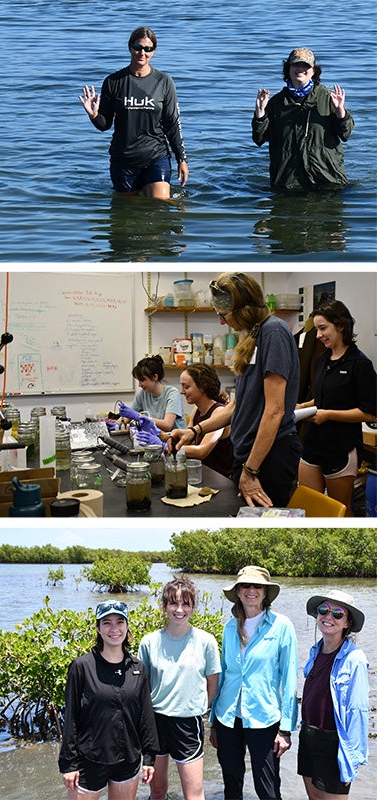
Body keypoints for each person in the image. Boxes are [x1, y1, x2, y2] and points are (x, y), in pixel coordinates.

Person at [169, 272, 301, 508]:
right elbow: (237, 406)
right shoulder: (252, 338)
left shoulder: (273, 332)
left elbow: (274, 411)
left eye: (224, 315)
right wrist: (196, 430)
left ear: (244, 310)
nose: (221, 322)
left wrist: (251, 470)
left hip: (268, 457)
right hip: (250, 456)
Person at [210, 566, 299, 800]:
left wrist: (286, 729)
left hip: (264, 717)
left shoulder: (282, 626)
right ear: (238, 592)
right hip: (227, 717)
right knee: (231, 781)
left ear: (265, 592)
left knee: (267, 788)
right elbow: (224, 674)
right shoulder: (229, 627)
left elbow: (290, 679)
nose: (251, 590)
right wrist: (213, 723)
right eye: (245, 586)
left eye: (257, 586)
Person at [59, 601, 160, 800]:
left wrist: (149, 758)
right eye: (107, 622)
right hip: (89, 759)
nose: (114, 629)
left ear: (127, 625)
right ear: (98, 628)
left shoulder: (137, 667)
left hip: (128, 759)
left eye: (120, 622)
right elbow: (70, 717)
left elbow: (145, 716)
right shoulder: (82, 666)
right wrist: (68, 764)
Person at [79, 26, 189, 200]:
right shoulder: (113, 81)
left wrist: (181, 159)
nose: (142, 53)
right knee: (130, 211)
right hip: (123, 160)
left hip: (156, 155)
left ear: (154, 51)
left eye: (147, 49)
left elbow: (172, 124)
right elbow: (104, 125)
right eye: (138, 47)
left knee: (159, 204)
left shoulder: (164, 81)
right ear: (130, 47)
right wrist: (93, 115)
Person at [138, 577, 221, 800]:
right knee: (157, 791)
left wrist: (200, 708)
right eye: (173, 603)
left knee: (193, 795)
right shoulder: (149, 642)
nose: (179, 610)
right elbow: (143, 686)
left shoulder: (206, 641)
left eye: (186, 603)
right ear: (164, 606)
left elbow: (213, 685)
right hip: (155, 722)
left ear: (193, 607)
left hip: (188, 722)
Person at [295, 301, 377, 516]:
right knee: (309, 507)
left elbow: (369, 412)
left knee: (338, 511)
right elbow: (322, 398)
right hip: (312, 443)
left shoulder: (360, 364)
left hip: (340, 447)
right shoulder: (322, 360)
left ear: (341, 326)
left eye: (323, 328)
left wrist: (329, 415)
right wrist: (303, 406)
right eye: (317, 329)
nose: (319, 335)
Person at [299, 590, 369, 799]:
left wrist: (351, 760)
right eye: (324, 610)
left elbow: (357, 711)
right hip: (309, 737)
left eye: (338, 613)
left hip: (334, 743)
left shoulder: (354, 659)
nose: (328, 617)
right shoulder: (315, 651)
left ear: (348, 623)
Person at [253, 48, 354, 192]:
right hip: (288, 182)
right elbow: (259, 139)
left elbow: (346, 134)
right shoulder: (275, 103)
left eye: (306, 66)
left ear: (314, 71)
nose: (300, 69)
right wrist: (260, 114)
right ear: (288, 69)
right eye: (295, 65)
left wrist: (340, 112)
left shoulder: (328, 97)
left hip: (327, 179)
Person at [177, 362, 235, 478]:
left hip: (222, 479)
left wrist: (166, 447)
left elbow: (201, 451)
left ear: (203, 386)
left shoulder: (218, 412)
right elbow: (189, 441)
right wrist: (164, 437)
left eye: (186, 387)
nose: (181, 391)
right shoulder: (196, 410)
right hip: (205, 474)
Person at [127, 354, 187, 433]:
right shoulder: (143, 394)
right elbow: (127, 417)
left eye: (142, 380)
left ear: (155, 377)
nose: (139, 385)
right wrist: (117, 422)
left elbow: (167, 425)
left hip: (174, 441)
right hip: (156, 440)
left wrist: (140, 417)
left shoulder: (172, 393)